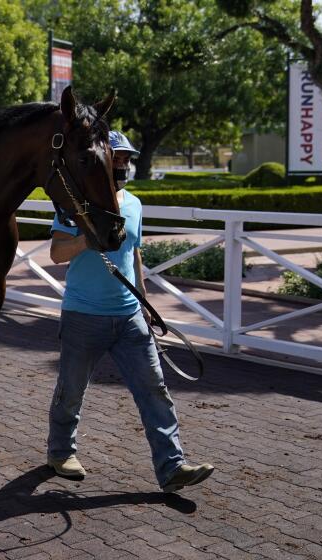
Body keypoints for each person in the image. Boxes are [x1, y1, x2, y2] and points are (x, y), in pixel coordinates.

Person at [46, 131, 214, 493]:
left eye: (125, 158)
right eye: (116, 157)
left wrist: (144, 300)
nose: (122, 163)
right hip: (82, 316)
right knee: (72, 390)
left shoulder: (135, 204)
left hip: (129, 317)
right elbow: (57, 254)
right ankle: (61, 452)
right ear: (101, 159)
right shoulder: (74, 203)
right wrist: (86, 240)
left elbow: (134, 254)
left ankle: (172, 466)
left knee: (154, 389)